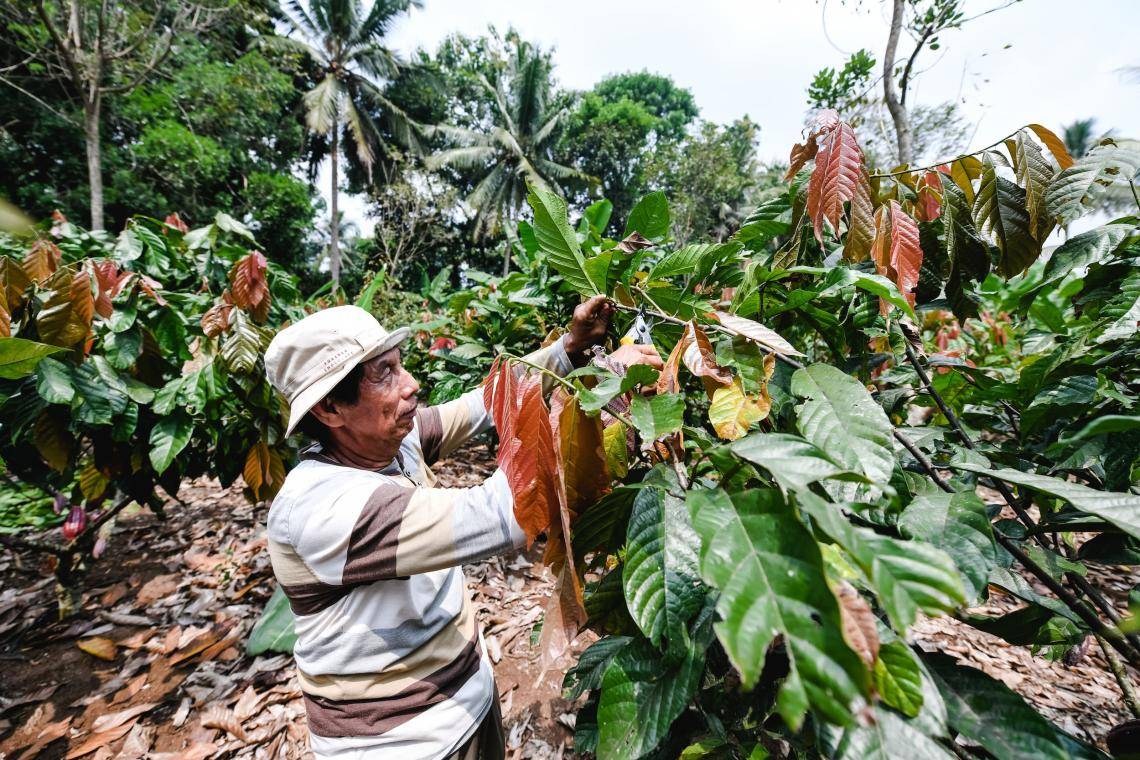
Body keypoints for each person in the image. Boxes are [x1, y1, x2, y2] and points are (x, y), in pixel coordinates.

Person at [262, 295, 662, 759]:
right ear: (330, 409)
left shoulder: (388, 443)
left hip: (467, 698)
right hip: (405, 743)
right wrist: (606, 387)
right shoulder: (324, 508)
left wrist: (569, 350)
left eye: (399, 364)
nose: (411, 384)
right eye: (384, 374)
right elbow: (504, 512)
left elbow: (485, 404)